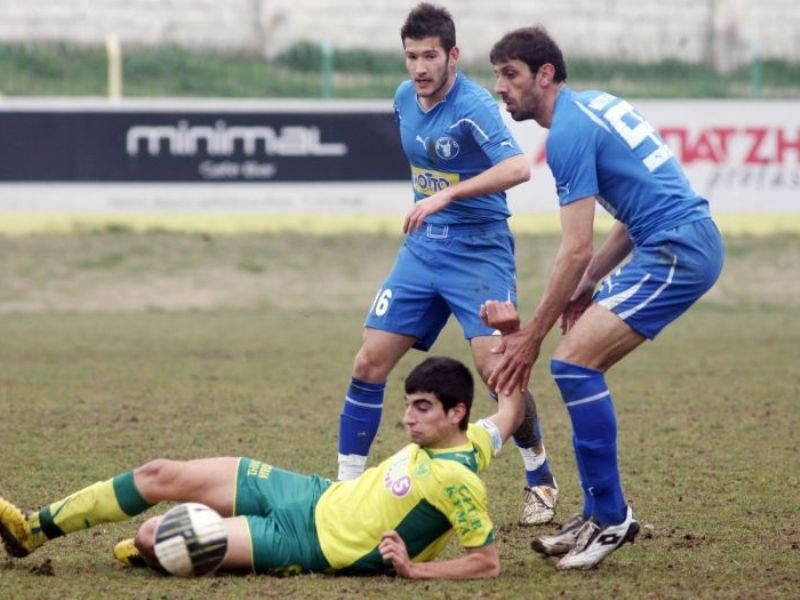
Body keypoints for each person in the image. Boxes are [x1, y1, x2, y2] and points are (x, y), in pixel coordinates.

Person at [487, 26, 725, 570]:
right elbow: (632, 213)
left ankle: (612, 516)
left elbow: (575, 248)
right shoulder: (593, 105)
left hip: (677, 250)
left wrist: (530, 337)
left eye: (510, 74)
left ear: (545, 74)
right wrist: (590, 281)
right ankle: (597, 512)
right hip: (674, 241)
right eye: (497, 75)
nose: (500, 87)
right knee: (577, 368)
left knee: (571, 363)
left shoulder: (567, 133)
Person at [1, 346, 528, 579]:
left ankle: (154, 552)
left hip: (307, 544)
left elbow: (487, 563)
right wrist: (508, 339)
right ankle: (32, 529)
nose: (409, 418)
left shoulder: (458, 479)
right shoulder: (473, 439)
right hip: (309, 493)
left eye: (423, 408)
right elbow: (510, 408)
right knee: (159, 473)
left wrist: (415, 570)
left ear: (456, 412)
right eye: (408, 405)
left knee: (153, 537)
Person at [336, 1, 559, 526]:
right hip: (422, 251)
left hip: (479, 250)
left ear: (452, 56)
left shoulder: (474, 105)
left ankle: (539, 476)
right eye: (412, 56)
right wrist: (434, 200)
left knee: (497, 371)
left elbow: (518, 167)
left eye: (430, 56)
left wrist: (448, 195)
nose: (420, 67)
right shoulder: (402, 98)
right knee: (368, 363)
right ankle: (344, 491)